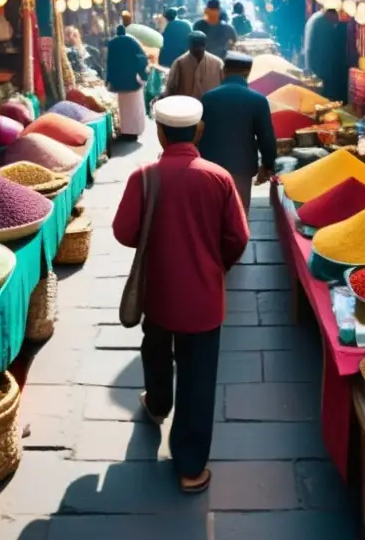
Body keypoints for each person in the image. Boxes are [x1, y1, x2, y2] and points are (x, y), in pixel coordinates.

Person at [112, 95, 249, 494]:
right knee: (198, 376)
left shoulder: (144, 177)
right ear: (200, 130)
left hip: (158, 293)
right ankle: (190, 468)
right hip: (205, 297)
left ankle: (157, 404)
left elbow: (124, 232)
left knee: (155, 349)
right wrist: (214, 265)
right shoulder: (218, 178)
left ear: (158, 132)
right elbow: (238, 237)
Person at [199, 52, 277, 212]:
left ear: (224, 71)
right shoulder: (258, 100)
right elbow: (266, 137)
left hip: (210, 168)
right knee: (238, 215)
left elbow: (197, 133)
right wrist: (268, 165)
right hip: (242, 169)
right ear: (248, 73)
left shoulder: (207, 98)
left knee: (211, 214)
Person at [106, 15, 149, 140]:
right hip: (132, 80)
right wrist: (141, 73)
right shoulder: (132, 41)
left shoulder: (112, 43)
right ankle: (135, 131)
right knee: (134, 108)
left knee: (124, 109)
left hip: (119, 81)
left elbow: (109, 62)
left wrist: (108, 79)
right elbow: (142, 58)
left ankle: (126, 132)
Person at [304, 6, 348, 102]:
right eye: (337, 18)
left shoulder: (315, 18)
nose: (336, 22)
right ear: (332, 14)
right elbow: (328, 52)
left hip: (313, 68)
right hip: (320, 71)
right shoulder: (322, 23)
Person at [164, 31, 224, 100]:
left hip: (210, 106)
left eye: (199, 47)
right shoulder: (179, 63)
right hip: (186, 107)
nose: (197, 50)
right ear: (189, 45)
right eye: (195, 47)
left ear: (205, 45)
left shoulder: (217, 63)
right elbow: (171, 88)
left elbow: (223, 88)